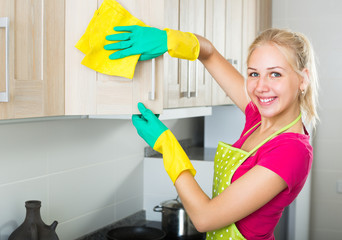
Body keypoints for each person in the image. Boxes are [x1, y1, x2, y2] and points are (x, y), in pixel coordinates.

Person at [104, 26, 318, 240]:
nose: (261, 86)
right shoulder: (259, 119)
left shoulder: (292, 150)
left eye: (275, 74)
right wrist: (171, 39)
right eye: (254, 73)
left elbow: (204, 218)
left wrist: (167, 146)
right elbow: (209, 53)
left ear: (303, 79)